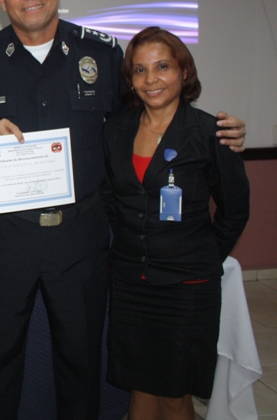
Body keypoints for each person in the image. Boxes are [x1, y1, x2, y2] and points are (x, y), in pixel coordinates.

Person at [0, 0, 248, 418]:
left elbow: (152, 112)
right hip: (10, 240)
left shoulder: (103, 54)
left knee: (81, 364)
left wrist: (218, 132)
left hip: (81, 239)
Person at [103, 27, 249, 419]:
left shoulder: (210, 132)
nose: (151, 79)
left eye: (162, 66)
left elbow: (236, 209)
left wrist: (204, 256)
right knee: (139, 387)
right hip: (132, 281)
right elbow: (111, 198)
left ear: (184, 71)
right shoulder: (116, 130)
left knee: (174, 393)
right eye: (140, 70)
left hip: (187, 287)